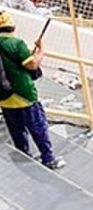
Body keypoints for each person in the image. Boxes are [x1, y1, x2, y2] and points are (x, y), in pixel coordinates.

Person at [0, 10, 64, 169]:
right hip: (24, 95)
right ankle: (49, 159)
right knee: (38, 127)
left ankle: (24, 158)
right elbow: (32, 65)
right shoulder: (16, 44)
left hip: (4, 96)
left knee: (16, 130)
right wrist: (41, 50)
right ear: (12, 27)